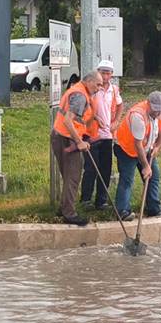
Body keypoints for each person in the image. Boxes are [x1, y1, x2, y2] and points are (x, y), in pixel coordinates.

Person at [51, 72, 102, 226]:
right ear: (89, 81)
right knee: (73, 177)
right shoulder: (80, 95)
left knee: (69, 176)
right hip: (67, 140)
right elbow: (68, 120)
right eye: (97, 84)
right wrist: (79, 142)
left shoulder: (79, 90)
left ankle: (63, 208)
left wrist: (93, 118)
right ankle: (69, 214)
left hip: (61, 136)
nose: (99, 88)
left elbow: (79, 117)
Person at [114, 91, 161, 221]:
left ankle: (153, 209)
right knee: (127, 179)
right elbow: (137, 144)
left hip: (147, 148)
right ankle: (122, 211)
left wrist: (157, 146)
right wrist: (146, 166)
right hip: (126, 149)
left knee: (154, 177)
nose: (158, 113)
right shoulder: (138, 115)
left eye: (160, 110)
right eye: (155, 110)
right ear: (148, 104)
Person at [80, 60, 123, 210]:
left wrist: (116, 120)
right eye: (102, 72)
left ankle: (101, 200)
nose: (105, 76)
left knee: (105, 168)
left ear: (111, 74)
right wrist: (94, 117)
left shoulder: (114, 89)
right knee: (91, 167)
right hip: (92, 133)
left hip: (108, 134)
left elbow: (119, 105)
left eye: (108, 73)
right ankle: (85, 199)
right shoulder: (93, 88)